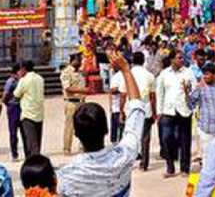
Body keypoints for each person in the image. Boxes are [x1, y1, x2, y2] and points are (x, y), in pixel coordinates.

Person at [55, 49, 147, 196]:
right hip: (72, 102)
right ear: (106, 129)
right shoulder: (124, 155)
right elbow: (137, 108)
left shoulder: (65, 176)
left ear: (77, 134)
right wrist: (126, 70)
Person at [156, 50, 195, 177]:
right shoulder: (164, 74)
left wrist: (189, 94)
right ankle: (170, 167)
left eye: (182, 58)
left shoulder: (188, 72)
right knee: (166, 138)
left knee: (185, 140)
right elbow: (160, 93)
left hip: (184, 109)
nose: (181, 60)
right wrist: (159, 111)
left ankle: (185, 168)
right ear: (172, 59)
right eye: (179, 58)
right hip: (168, 110)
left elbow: (194, 90)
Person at [185, 61, 215, 156]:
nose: (205, 77)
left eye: (207, 74)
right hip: (206, 129)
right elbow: (191, 105)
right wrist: (186, 94)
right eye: (204, 74)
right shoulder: (200, 87)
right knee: (208, 156)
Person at [128, 51, 157, 171]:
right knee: (145, 138)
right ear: (144, 60)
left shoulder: (128, 74)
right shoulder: (149, 75)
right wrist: (155, 112)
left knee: (130, 137)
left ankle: (129, 163)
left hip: (131, 109)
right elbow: (152, 96)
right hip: (146, 109)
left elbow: (124, 94)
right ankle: (144, 164)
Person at [13, 61, 45, 158]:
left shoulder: (24, 80)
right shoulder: (40, 78)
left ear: (24, 69)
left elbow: (16, 94)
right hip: (39, 112)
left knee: (31, 142)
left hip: (28, 114)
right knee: (37, 141)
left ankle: (34, 163)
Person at [61, 53, 88, 155]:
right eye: (79, 60)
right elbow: (67, 88)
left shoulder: (81, 73)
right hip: (72, 102)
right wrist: (83, 90)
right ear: (73, 60)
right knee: (70, 127)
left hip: (81, 102)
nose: (80, 62)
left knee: (83, 125)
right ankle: (67, 148)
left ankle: (83, 146)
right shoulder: (66, 72)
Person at [2, 64, 24, 159]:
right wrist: (9, 104)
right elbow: (5, 95)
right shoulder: (10, 82)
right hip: (13, 107)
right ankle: (14, 153)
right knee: (13, 132)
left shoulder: (22, 81)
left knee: (24, 130)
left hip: (21, 106)